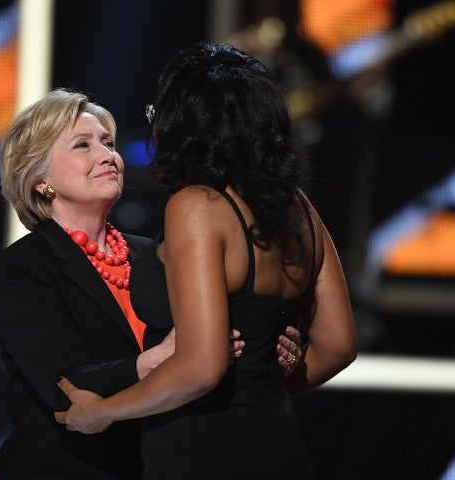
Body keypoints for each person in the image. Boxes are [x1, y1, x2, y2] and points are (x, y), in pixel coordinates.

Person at [54, 43, 358, 479]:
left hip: (204, 454)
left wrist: (102, 411)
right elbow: (338, 346)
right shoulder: (299, 208)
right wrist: (263, 387)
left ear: (186, 126)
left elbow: (201, 366)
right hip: (281, 450)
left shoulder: (195, 206)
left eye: (159, 111)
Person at [0, 88, 304, 479]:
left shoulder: (154, 253)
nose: (108, 155)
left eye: (108, 143)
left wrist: (272, 352)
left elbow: (217, 347)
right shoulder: (24, 266)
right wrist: (161, 359)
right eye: (83, 145)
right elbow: (66, 386)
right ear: (40, 179)